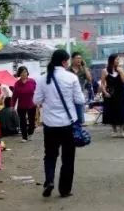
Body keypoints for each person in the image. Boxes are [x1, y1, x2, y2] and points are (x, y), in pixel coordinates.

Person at [33, 49, 85, 198]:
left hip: (50, 125)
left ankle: (49, 180)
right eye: (67, 61)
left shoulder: (42, 79)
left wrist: (48, 100)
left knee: (50, 155)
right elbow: (80, 100)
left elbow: (36, 101)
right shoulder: (71, 78)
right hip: (68, 124)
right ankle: (64, 190)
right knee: (68, 158)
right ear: (64, 62)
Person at [100, 54, 124, 137]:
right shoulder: (105, 71)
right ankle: (114, 131)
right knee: (111, 111)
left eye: (118, 59)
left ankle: (122, 131)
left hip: (120, 94)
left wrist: (121, 72)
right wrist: (105, 92)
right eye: (117, 59)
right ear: (112, 60)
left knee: (122, 111)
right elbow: (102, 84)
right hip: (110, 94)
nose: (118, 61)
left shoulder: (120, 69)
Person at [13, 67, 38, 141]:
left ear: (27, 73)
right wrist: (12, 106)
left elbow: (37, 92)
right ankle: (24, 137)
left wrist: (38, 102)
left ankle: (30, 133)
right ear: (19, 74)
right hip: (21, 106)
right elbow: (14, 96)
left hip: (31, 104)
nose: (24, 74)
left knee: (32, 122)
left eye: (25, 72)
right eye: (22, 72)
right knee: (22, 122)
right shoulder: (17, 84)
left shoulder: (32, 81)